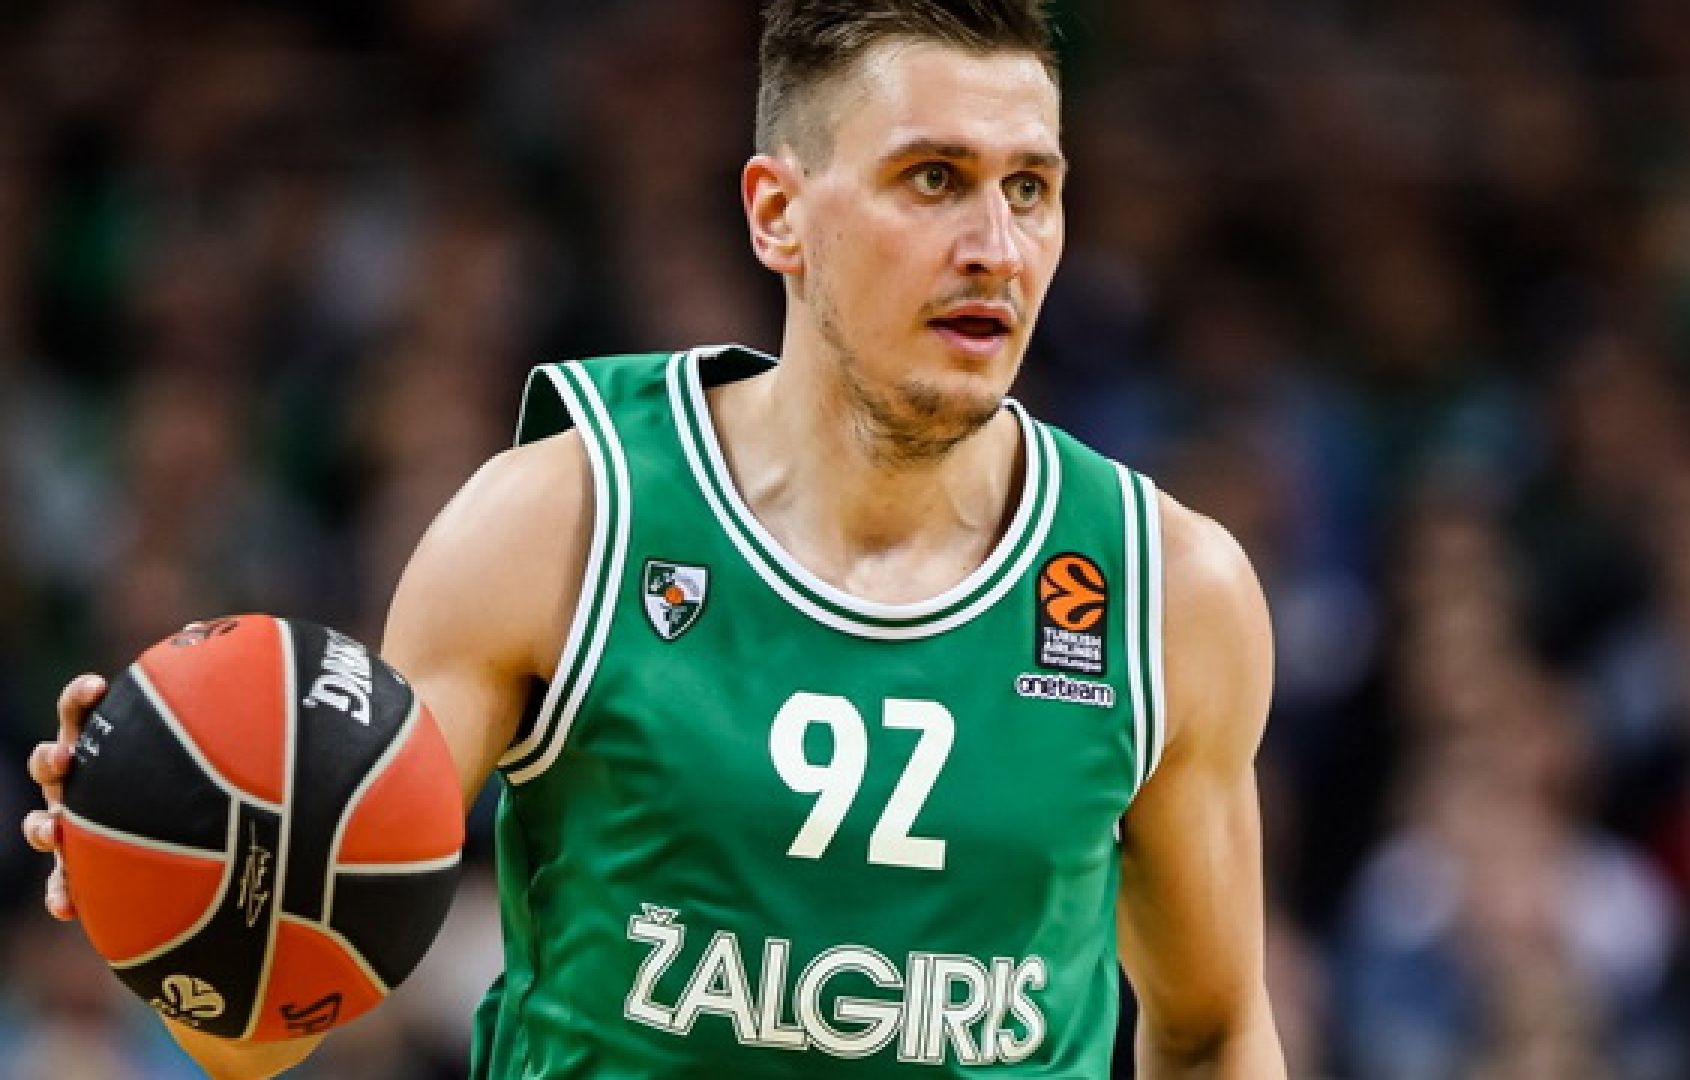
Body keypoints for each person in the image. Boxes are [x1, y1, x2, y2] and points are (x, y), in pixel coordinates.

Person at [23, 1, 1287, 1075]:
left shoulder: (1168, 592)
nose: (996, 249)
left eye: (1031, 189)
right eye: (933, 179)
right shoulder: (556, 523)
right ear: (778, 214)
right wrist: (171, 864)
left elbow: (1215, 1032)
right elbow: (273, 1018)